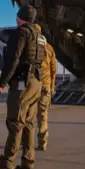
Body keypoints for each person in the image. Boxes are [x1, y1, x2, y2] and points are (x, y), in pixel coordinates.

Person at [0, 5, 46, 169]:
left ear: (20, 18)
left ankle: (7, 164)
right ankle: (27, 163)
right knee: (28, 123)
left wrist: (3, 81)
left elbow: (13, 59)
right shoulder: (40, 37)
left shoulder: (20, 33)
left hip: (22, 83)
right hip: (36, 82)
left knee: (15, 122)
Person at [33, 24, 56, 152]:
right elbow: (54, 70)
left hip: (33, 85)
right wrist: (52, 87)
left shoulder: (31, 46)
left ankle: (25, 140)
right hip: (46, 85)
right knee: (43, 115)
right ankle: (43, 143)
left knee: (27, 115)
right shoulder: (49, 48)